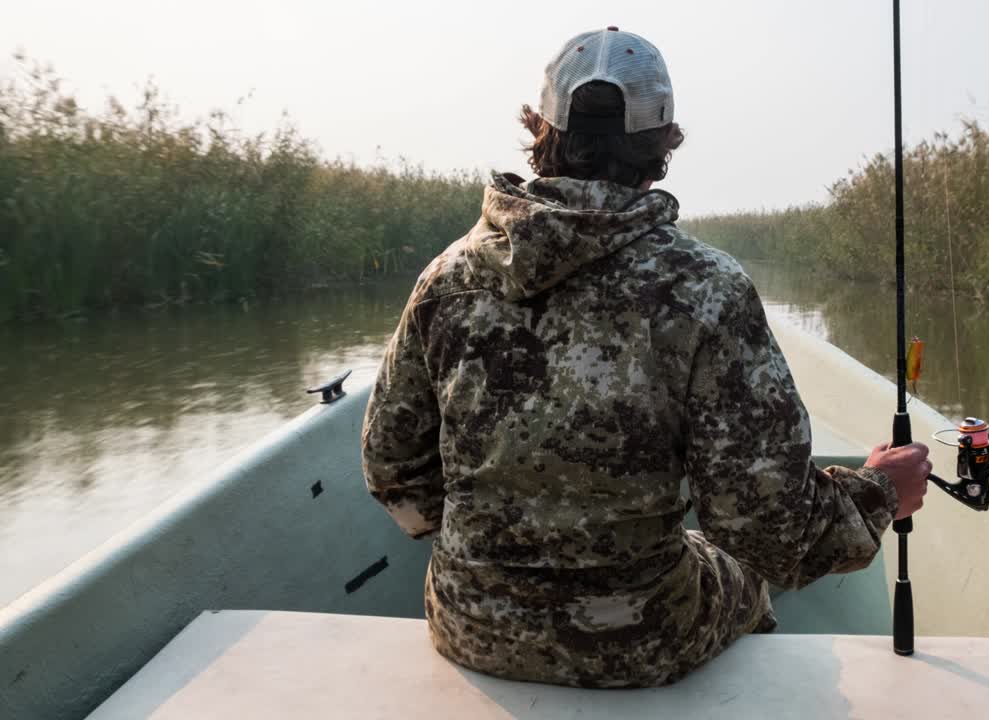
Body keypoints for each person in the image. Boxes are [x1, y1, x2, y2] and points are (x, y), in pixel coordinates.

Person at [361, 26, 930, 688]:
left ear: (540, 129)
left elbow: (392, 471)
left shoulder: (446, 277)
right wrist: (882, 492)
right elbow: (769, 531)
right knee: (741, 573)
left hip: (467, 624)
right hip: (640, 643)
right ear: (661, 142)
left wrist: (492, 558)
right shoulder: (706, 288)